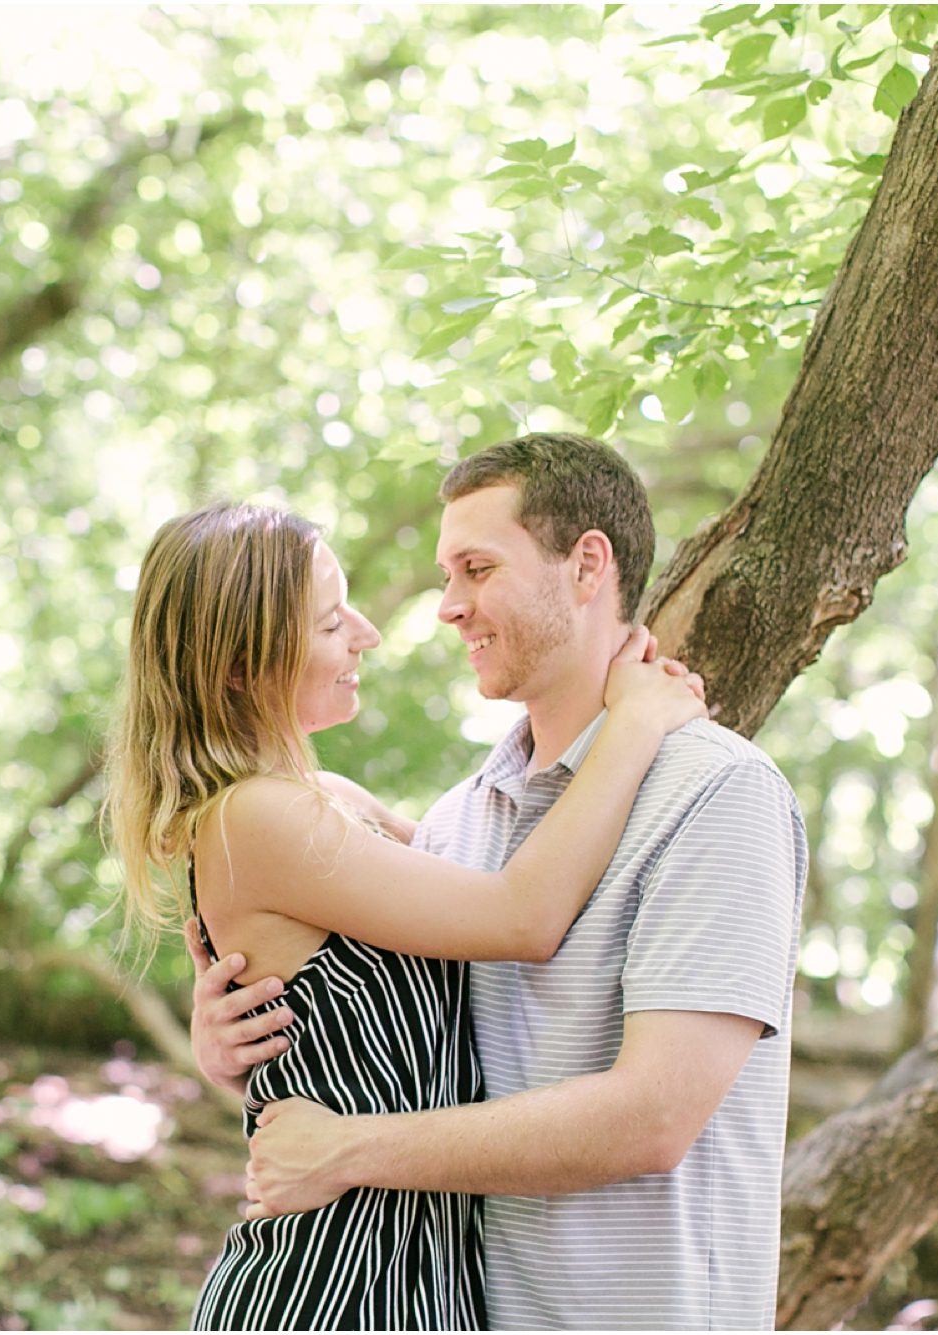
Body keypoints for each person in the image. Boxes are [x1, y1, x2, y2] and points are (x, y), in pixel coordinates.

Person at [190, 433, 808, 1331]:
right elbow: (365, 1028)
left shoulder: (716, 795)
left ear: (586, 565)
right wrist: (234, 1037)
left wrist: (349, 1150)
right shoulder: (458, 821)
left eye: (477, 568)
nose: (447, 606)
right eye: (447, 573)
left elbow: (653, 1118)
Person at [105, 500, 708, 1330]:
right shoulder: (255, 818)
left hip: (418, 1283)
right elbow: (522, 914)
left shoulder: (332, 803)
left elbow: (476, 892)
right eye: (328, 621)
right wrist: (635, 723)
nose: (367, 633)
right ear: (241, 666)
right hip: (330, 1291)